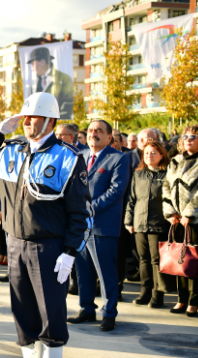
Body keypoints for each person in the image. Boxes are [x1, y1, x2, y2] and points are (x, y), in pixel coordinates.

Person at [0, 92, 92, 358]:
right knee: (22, 310)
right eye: (25, 118)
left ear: (51, 121)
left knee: (50, 312)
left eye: (34, 117)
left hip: (49, 247)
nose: (28, 123)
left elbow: (82, 213)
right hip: (14, 242)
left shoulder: (69, 157)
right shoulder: (12, 152)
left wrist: (70, 252)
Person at [68, 120, 130, 332]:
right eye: (92, 130)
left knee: (106, 273)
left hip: (103, 225)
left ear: (109, 136)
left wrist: (89, 208)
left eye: (99, 131)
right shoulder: (81, 156)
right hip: (80, 226)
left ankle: (109, 313)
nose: (94, 134)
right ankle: (86, 308)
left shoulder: (118, 159)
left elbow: (116, 191)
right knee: (82, 270)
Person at [124, 140, 173, 307]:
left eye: (153, 153)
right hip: (139, 223)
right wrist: (128, 220)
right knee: (143, 260)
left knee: (156, 260)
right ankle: (145, 292)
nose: (149, 156)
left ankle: (157, 295)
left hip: (159, 223)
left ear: (161, 155)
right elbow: (131, 200)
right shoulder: (138, 174)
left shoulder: (167, 174)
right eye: (146, 153)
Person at [163, 125, 198, 317]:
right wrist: (171, 213)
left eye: (193, 136)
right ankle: (181, 298)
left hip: (195, 220)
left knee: (193, 260)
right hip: (177, 220)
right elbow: (166, 186)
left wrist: (189, 213)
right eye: (185, 136)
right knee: (179, 259)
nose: (188, 139)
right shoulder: (175, 160)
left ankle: (194, 301)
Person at [28, 47, 73, 119]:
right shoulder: (33, 84)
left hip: (57, 123)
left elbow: (68, 106)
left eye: (33, 64)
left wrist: (50, 120)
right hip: (38, 125)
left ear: (42, 62)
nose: (32, 68)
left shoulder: (64, 79)